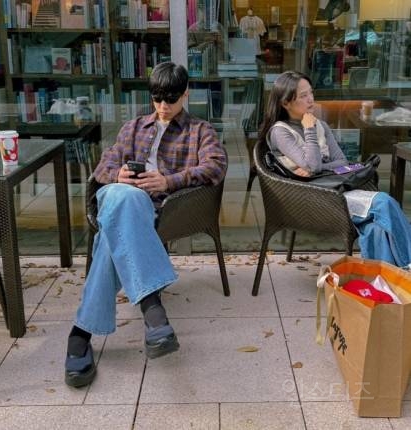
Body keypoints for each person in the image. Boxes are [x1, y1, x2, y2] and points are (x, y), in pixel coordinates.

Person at [64, 62, 227, 388]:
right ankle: (153, 313)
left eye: (171, 98)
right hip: (118, 196)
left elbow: (216, 165)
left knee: (115, 230)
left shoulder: (199, 130)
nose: (164, 106)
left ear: (185, 94)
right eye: (157, 98)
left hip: (155, 207)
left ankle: (81, 333)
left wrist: (167, 181)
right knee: (123, 198)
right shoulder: (134, 126)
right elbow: (105, 164)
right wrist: (118, 175)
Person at [258, 70, 411, 267]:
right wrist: (309, 130)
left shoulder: (320, 124)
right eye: (303, 96)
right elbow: (313, 164)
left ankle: (386, 282)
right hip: (312, 198)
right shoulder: (281, 132)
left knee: (375, 229)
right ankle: (407, 266)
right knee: (383, 202)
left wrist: (318, 168)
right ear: (285, 102)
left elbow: (341, 162)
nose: (311, 100)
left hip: (336, 190)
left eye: (311, 93)